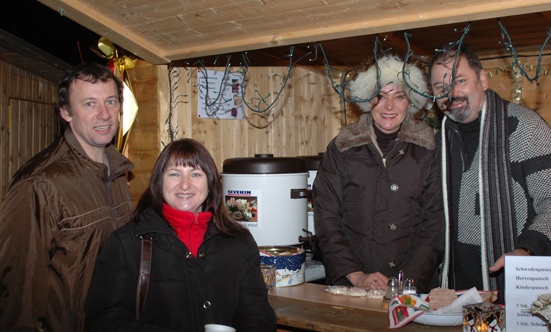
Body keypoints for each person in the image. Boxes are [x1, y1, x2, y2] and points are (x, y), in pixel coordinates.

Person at [85, 139, 277, 332]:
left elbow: (257, 313)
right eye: (175, 174)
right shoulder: (126, 243)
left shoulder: (238, 241)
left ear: (210, 182)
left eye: (195, 174)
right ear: (159, 182)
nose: (185, 185)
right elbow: (105, 319)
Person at [0, 62, 134, 331]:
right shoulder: (39, 183)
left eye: (110, 101)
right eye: (89, 104)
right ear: (65, 112)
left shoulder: (117, 170)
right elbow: (17, 292)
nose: (104, 114)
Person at [429, 43, 551, 303]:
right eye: (441, 88)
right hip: (454, 292)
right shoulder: (439, 142)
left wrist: (528, 249)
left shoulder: (525, 128)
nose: (451, 93)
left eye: (459, 80)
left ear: (483, 80)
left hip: (517, 290)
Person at [313, 55, 445, 294]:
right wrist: (356, 275)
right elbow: (327, 220)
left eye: (399, 96)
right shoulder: (342, 147)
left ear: (411, 101)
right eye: (380, 96)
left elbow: (435, 226)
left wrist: (404, 284)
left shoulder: (429, 149)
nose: (389, 106)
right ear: (367, 98)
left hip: (412, 290)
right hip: (353, 287)